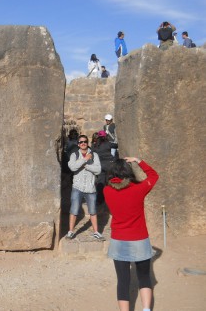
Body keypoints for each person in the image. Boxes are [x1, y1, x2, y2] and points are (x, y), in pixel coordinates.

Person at [104, 157, 159, 311]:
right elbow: (154, 176)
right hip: (139, 240)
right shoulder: (139, 189)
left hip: (118, 240)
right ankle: (146, 309)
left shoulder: (107, 191)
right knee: (144, 277)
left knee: (122, 281)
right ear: (128, 173)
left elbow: (112, 184)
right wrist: (139, 161)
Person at [65, 135, 105, 240]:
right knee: (74, 209)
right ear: (78, 144)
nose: (83, 143)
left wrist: (86, 166)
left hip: (90, 187)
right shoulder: (74, 154)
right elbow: (72, 167)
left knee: (93, 210)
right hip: (77, 186)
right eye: (81, 142)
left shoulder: (94, 154)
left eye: (85, 141)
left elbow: (98, 170)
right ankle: (71, 231)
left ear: (88, 143)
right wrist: (85, 160)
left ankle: (96, 232)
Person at [92, 130, 114, 205]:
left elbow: (92, 153)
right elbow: (116, 145)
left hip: (100, 165)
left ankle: (99, 200)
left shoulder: (95, 145)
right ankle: (111, 199)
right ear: (105, 136)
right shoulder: (108, 144)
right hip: (109, 164)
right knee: (110, 182)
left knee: (100, 182)